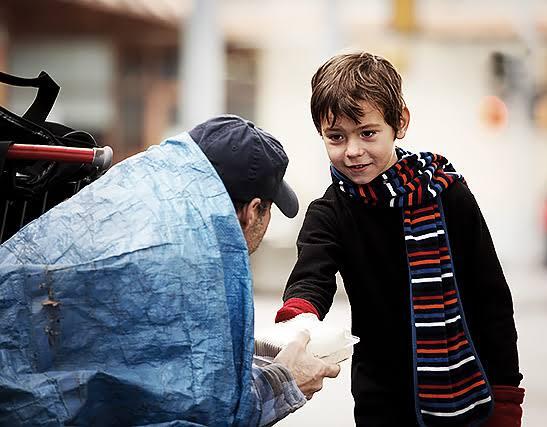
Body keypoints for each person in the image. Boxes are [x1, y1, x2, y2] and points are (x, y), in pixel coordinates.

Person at [0, 115, 339, 426]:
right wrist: (286, 380)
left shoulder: (134, 206)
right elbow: (211, 414)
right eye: (269, 212)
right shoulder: (194, 269)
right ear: (252, 212)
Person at [274, 52, 524, 426]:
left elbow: (492, 302)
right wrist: (298, 323)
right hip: (381, 404)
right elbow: (312, 278)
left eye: (367, 133)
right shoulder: (329, 213)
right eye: (336, 137)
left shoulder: (448, 195)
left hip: (470, 397)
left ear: (400, 123)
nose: (353, 150)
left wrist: (507, 399)